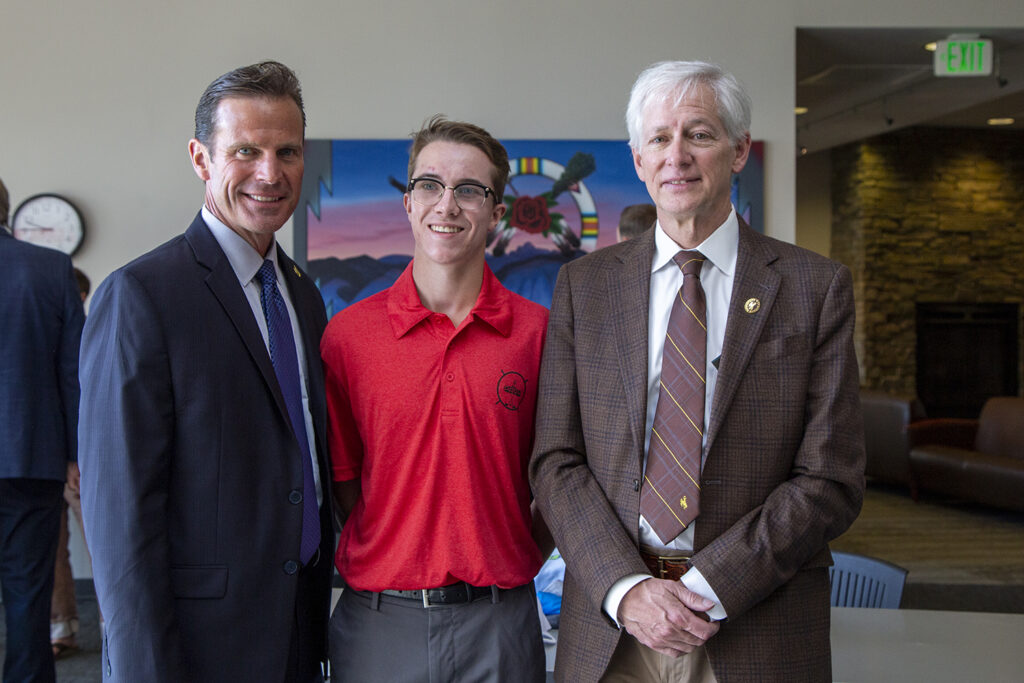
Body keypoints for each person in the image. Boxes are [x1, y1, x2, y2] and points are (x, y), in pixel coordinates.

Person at [530, 60, 865, 682]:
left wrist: (709, 586)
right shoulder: (585, 286)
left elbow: (830, 478)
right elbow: (556, 460)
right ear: (637, 159)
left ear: (738, 151)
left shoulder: (814, 288)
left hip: (754, 625)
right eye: (659, 138)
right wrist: (627, 588)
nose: (676, 156)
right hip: (613, 632)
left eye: (699, 135)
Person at [79, 61, 333, 683]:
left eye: (287, 151)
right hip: (194, 650)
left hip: (298, 632)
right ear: (201, 159)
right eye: (245, 150)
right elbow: (119, 516)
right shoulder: (140, 294)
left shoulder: (303, 295)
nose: (269, 173)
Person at [321, 115, 550, 682]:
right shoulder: (348, 337)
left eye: (469, 190)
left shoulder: (540, 334)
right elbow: (347, 486)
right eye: (429, 185)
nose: (446, 205)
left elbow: (558, 479)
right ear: (408, 203)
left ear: (497, 213)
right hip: (381, 623)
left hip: (501, 622)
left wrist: (506, 551)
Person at [0, 175, 85, 683]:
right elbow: (74, 374)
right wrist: (75, 455)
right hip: (31, 456)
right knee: (29, 595)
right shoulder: (51, 269)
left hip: (31, 456)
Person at [49, 268, 91, 660]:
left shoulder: (93, 329)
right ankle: (61, 627)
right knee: (55, 547)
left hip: (81, 457)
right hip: (57, 454)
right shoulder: (60, 332)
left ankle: (116, 618)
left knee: (99, 539)